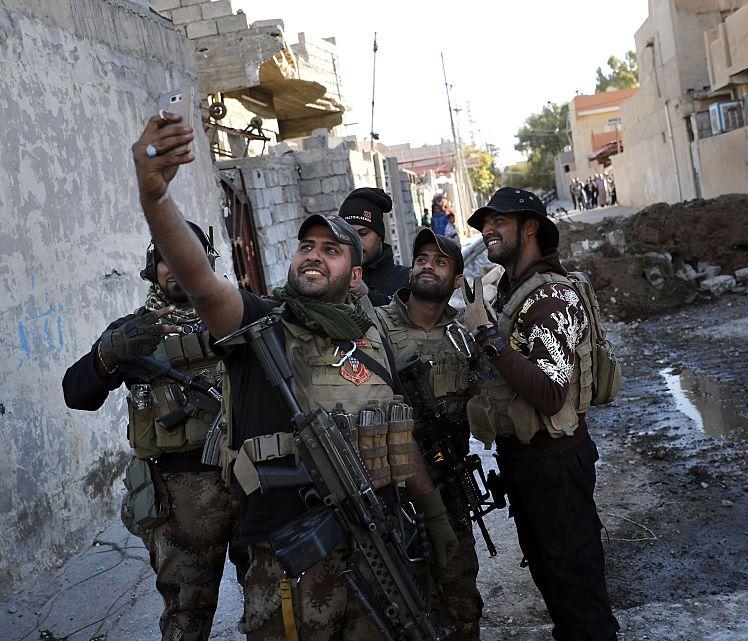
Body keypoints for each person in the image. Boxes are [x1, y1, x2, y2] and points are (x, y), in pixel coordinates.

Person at [129, 112, 457, 641]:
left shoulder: (372, 343)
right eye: (307, 246)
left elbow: (398, 438)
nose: (314, 256)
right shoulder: (260, 326)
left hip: (376, 545)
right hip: (290, 559)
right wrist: (155, 201)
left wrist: (435, 516)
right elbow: (202, 283)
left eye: (331, 250)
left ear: (355, 276)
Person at [62, 221, 249, 641]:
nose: (177, 265)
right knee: (186, 618)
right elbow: (77, 393)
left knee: (270, 606)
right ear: (153, 267)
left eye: (188, 253)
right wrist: (107, 355)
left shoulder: (239, 312)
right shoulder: (135, 331)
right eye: (166, 255)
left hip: (251, 479)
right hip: (179, 498)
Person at [459, 187, 619, 641]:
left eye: (498, 222)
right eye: (484, 223)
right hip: (529, 465)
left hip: (556, 467)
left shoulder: (549, 296)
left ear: (529, 228)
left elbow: (550, 393)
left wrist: (489, 338)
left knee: (578, 592)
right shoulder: (516, 291)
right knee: (554, 584)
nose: (487, 230)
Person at [374, 229, 483, 641]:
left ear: (456, 279)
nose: (427, 265)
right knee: (396, 599)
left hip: (450, 483)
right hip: (390, 489)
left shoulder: (465, 335)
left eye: (440, 262)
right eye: (421, 258)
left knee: (459, 594)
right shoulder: (377, 325)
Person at [338, 187, 410, 306]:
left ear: (380, 235)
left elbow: (414, 318)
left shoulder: (406, 279)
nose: (356, 242)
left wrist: (367, 295)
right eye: (349, 235)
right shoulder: (336, 278)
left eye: (363, 233)